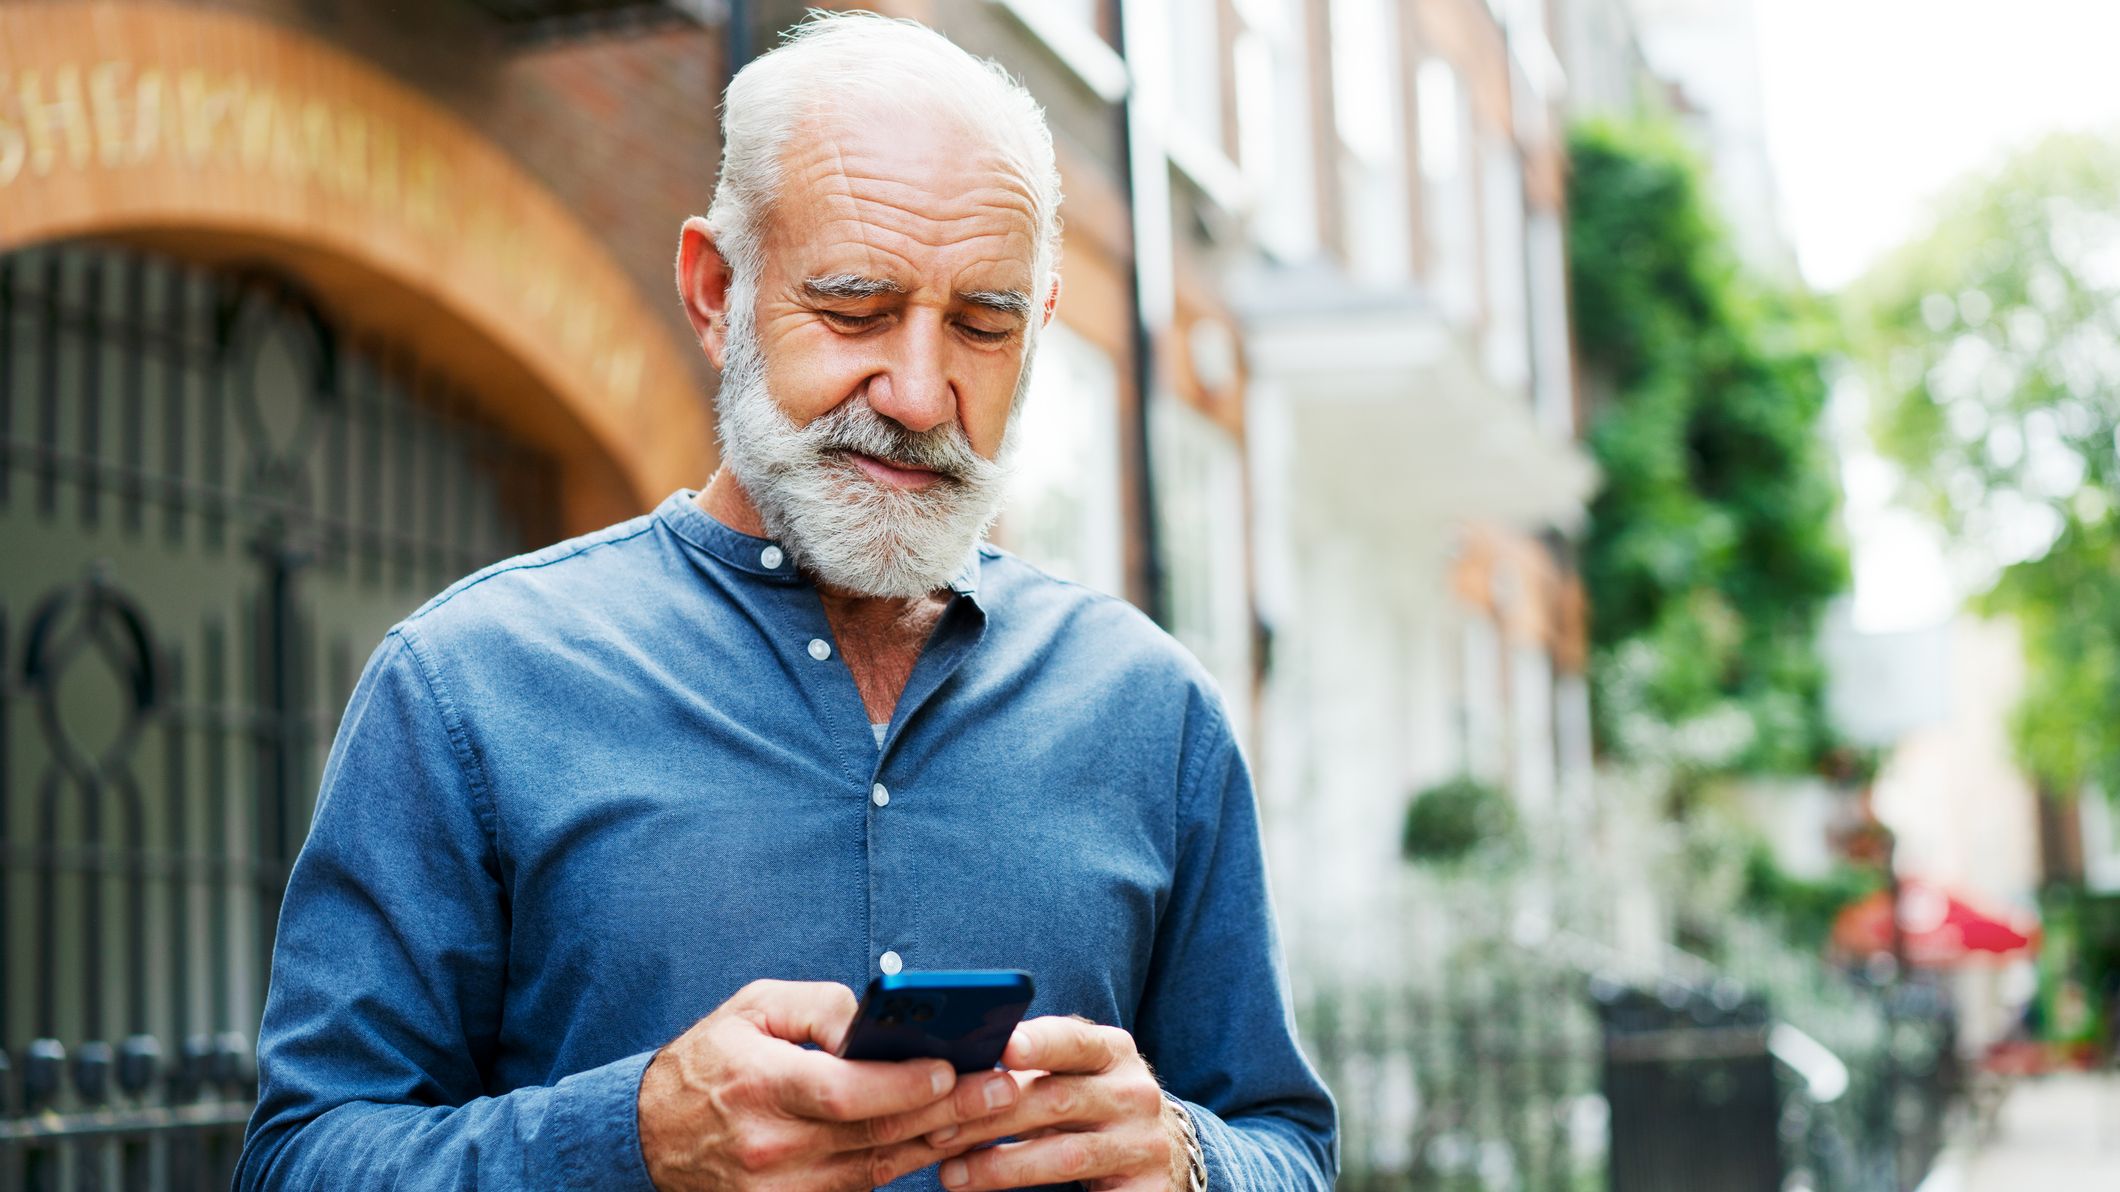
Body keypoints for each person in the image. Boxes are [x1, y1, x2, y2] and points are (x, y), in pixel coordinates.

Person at [234, 11, 1336, 1191]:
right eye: (853, 307)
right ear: (715, 292)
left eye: (981, 324)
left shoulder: (1153, 712)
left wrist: (1189, 1160)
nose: (918, 393)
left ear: (1040, 327)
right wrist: (632, 1140)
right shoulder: (467, 684)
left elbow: (1287, 1148)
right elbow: (299, 1161)